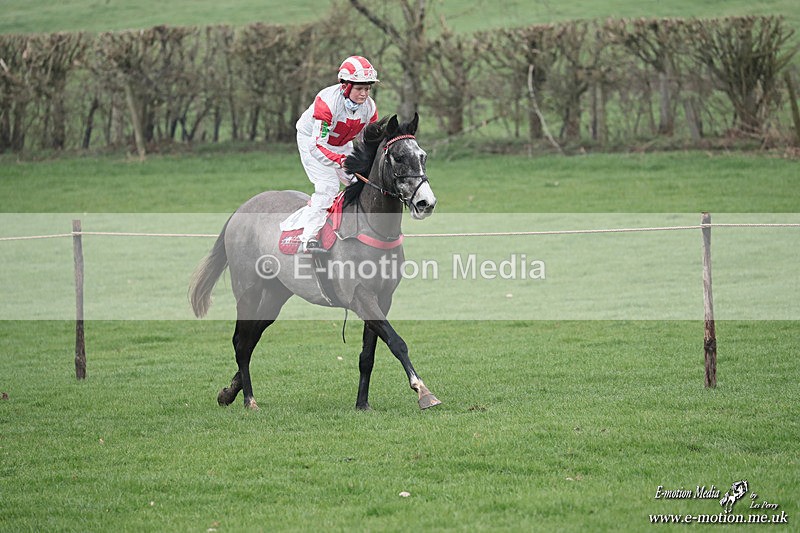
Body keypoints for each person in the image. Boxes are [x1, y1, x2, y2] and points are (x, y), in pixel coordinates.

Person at [290, 55, 379, 253]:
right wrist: (340, 161)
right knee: (328, 186)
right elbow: (317, 146)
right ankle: (308, 238)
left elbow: (368, 142)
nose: (364, 94)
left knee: (361, 183)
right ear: (345, 86)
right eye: (359, 88)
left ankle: (356, 227)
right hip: (312, 141)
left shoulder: (370, 108)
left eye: (367, 89)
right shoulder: (327, 102)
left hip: (342, 144)